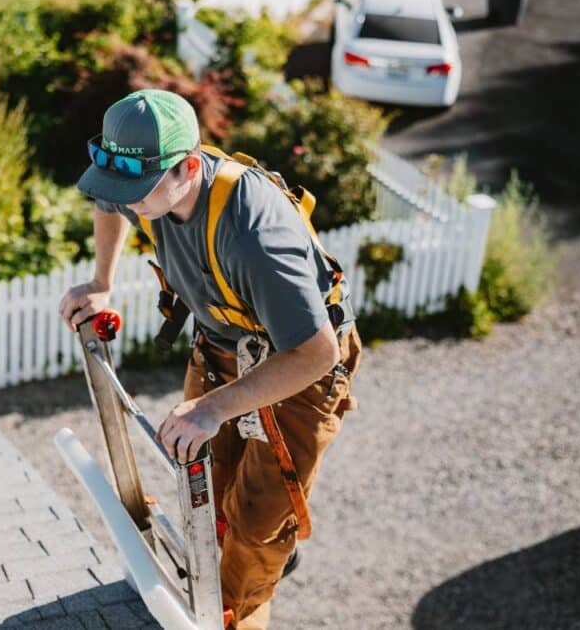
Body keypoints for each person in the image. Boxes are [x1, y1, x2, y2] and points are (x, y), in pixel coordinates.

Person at [59, 88, 362, 629]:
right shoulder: (143, 180)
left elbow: (315, 352)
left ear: (189, 168)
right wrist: (103, 282)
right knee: (206, 491)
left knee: (253, 531)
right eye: (119, 187)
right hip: (223, 344)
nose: (126, 202)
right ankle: (239, 566)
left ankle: (237, 610)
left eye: (139, 192)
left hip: (295, 368)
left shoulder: (253, 235)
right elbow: (110, 200)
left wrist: (213, 407)